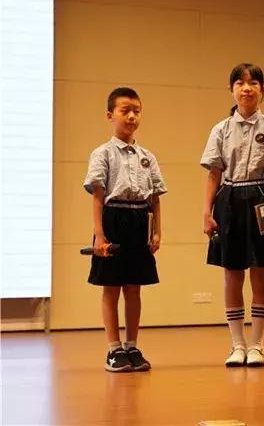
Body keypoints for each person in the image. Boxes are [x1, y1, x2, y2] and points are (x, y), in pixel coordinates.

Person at [200, 63, 264, 367]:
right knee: (231, 273)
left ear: (262, 89)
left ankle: (256, 345)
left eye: (253, 83)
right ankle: (237, 344)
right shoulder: (220, 129)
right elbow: (213, 173)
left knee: (259, 272)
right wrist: (206, 213)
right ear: (232, 89)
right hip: (228, 199)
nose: (246, 88)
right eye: (240, 83)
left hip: (261, 197)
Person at [84, 87, 166, 372]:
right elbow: (98, 196)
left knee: (134, 287)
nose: (132, 116)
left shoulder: (147, 156)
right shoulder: (102, 153)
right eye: (125, 111)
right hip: (113, 219)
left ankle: (132, 345)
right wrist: (99, 234)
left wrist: (156, 231)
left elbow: (155, 198)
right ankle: (113, 349)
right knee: (111, 287)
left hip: (139, 220)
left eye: (137, 111)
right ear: (110, 115)